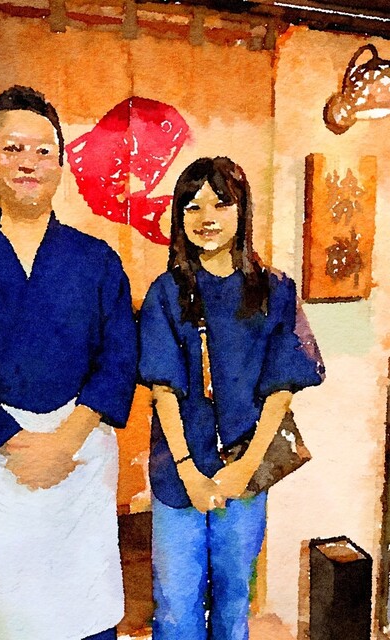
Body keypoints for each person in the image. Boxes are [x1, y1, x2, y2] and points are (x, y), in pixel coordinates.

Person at [0, 86, 137, 640]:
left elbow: (119, 356)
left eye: (43, 151)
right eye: (13, 148)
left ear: (61, 165)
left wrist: (64, 442)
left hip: (79, 453)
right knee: (10, 611)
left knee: (85, 602)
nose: (28, 162)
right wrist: (18, 446)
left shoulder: (97, 260)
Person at [138, 157, 325, 640]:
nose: (207, 217)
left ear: (242, 211)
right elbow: (163, 390)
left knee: (233, 598)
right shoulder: (166, 292)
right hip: (178, 473)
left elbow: (281, 390)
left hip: (244, 467)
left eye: (221, 203)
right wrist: (188, 472)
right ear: (179, 216)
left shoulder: (275, 290)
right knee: (175, 604)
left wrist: (244, 469)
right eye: (193, 206)